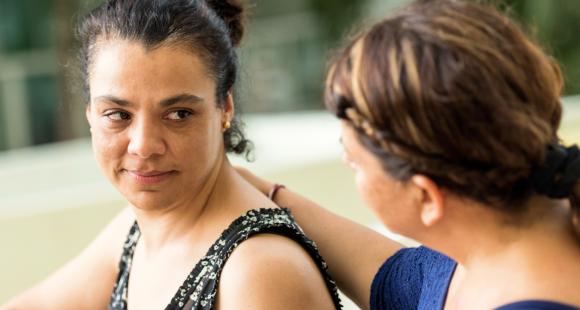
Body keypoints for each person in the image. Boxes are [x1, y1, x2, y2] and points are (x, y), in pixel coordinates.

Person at [238, 0, 580, 309]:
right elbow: (396, 281)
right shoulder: (495, 242)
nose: (346, 163)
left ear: (426, 197)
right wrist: (258, 191)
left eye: (356, 162)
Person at [1, 1, 342, 309]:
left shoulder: (260, 272)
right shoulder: (139, 230)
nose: (144, 145)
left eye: (178, 114)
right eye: (118, 115)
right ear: (90, 113)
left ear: (224, 107)